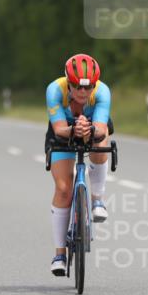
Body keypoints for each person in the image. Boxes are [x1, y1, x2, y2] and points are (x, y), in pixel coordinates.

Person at [44, 53, 112, 276]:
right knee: (63, 189)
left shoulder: (102, 92)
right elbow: (59, 129)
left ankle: (97, 199)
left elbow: (101, 127)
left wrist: (90, 130)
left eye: (88, 87)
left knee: (102, 141)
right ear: (68, 83)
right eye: (77, 87)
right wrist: (75, 130)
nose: (83, 92)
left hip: (92, 127)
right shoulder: (55, 90)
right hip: (64, 130)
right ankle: (59, 254)